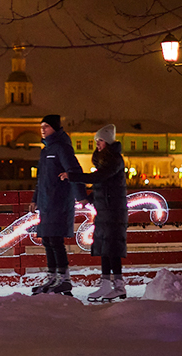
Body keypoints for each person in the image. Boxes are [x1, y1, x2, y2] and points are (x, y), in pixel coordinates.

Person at [59, 124, 128, 301]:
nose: (97, 144)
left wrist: (72, 176)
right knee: (104, 248)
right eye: (97, 141)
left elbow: (98, 178)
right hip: (105, 211)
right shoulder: (105, 161)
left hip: (114, 212)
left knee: (112, 248)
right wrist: (88, 199)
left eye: (101, 141)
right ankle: (105, 284)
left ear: (108, 142)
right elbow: (102, 187)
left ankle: (119, 286)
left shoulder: (114, 160)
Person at [29, 114, 88, 295]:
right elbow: (41, 179)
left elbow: (74, 171)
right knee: (47, 239)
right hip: (46, 203)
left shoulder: (62, 148)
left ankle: (64, 279)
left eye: (46, 126)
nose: (43, 129)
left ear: (55, 128)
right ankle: (52, 278)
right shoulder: (46, 150)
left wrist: (81, 196)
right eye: (41, 126)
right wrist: (35, 199)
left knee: (55, 240)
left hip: (59, 201)